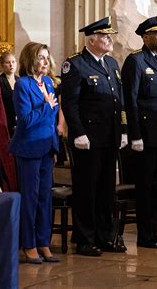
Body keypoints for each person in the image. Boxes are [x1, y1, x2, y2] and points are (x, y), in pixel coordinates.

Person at [61, 16, 128, 256]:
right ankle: (84, 239)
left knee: (105, 191)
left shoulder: (111, 64)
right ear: (91, 40)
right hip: (87, 140)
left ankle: (104, 235)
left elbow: (119, 102)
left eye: (109, 35)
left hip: (109, 138)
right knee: (86, 191)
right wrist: (78, 132)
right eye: (104, 36)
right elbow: (70, 104)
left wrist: (122, 130)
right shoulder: (76, 65)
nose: (110, 39)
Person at [121, 16, 157, 248]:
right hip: (144, 135)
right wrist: (134, 135)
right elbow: (130, 101)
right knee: (145, 187)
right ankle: (145, 234)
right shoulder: (136, 61)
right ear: (145, 36)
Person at [9, 42, 60, 264]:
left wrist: (55, 147)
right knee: (30, 198)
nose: (45, 61)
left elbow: (52, 120)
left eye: (47, 57)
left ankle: (43, 242)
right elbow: (26, 120)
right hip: (28, 148)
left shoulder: (48, 82)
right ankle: (28, 245)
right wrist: (46, 106)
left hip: (47, 148)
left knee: (44, 198)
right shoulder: (22, 85)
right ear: (31, 60)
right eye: (41, 57)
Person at [0, 50, 19, 138]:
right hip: (5, 122)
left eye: (13, 62)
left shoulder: (20, 81)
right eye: (8, 62)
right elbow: (0, 106)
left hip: (20, 122)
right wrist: (10, 124)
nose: (11, 65)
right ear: (2, 65)